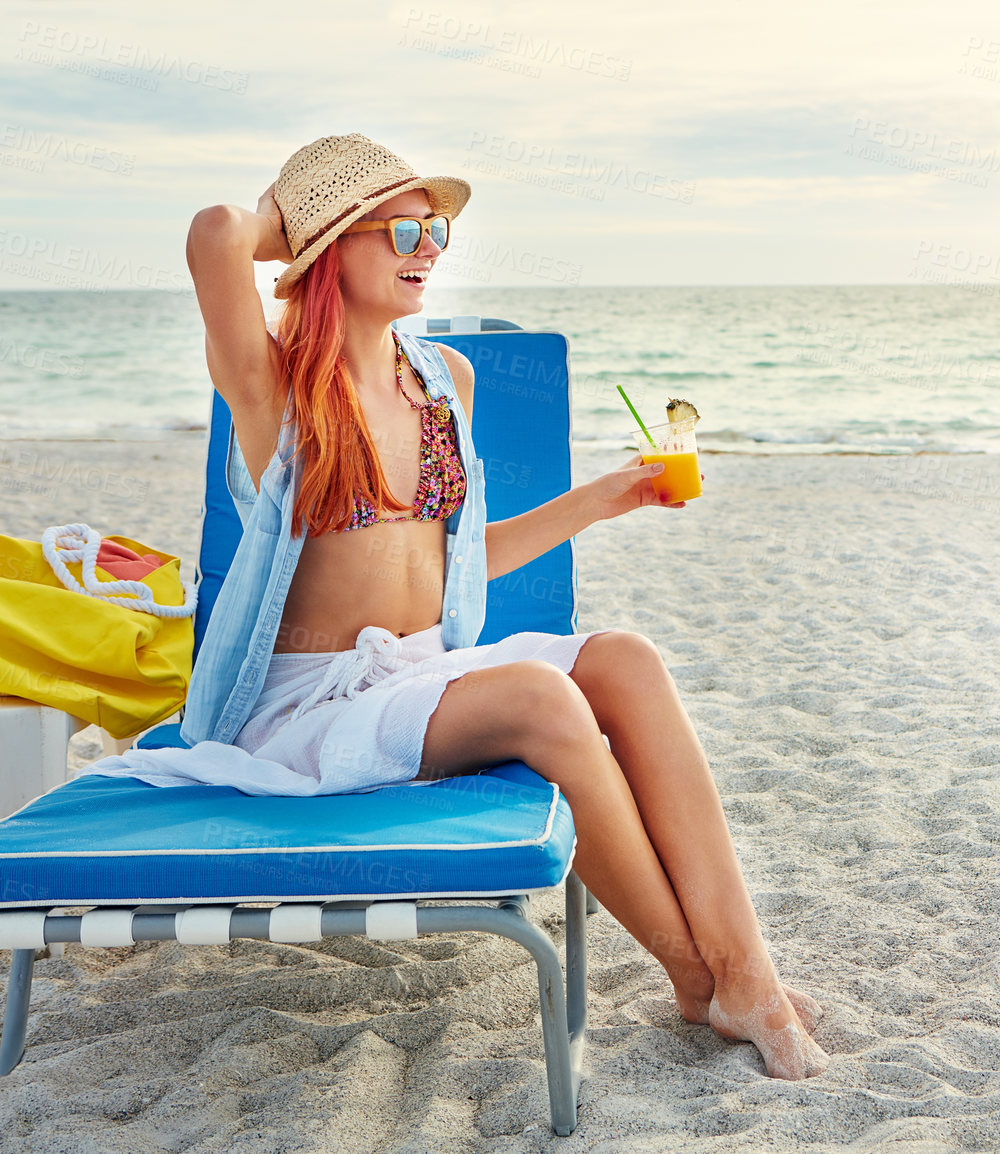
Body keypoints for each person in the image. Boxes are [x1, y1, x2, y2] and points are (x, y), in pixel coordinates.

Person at [100, 133, 828, 1079]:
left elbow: (450, 570)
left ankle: (746, 971)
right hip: (311, 704)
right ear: (327, 248)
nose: (430, 246)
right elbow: (213, 235)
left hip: (417, 673)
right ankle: (700, 979)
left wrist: (606, 497)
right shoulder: (273, 385)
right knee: (541, 700)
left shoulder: (445, 380)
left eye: (436, 227)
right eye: (401, 226)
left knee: (626, 659)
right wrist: (299, 215)